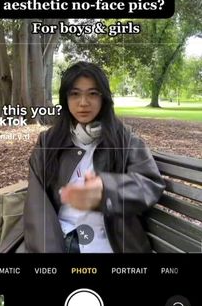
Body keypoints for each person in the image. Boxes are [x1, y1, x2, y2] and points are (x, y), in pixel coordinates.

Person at [24, 61, 165, 253]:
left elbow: (149, 184)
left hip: (111, 242)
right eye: (75, 94)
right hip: (61, 238)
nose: (83, 102)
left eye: (92, 93)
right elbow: (37, 203)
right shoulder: (48, 141)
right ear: (65, 99)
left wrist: (107, 190)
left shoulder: (125, 139)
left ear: (103, 98)